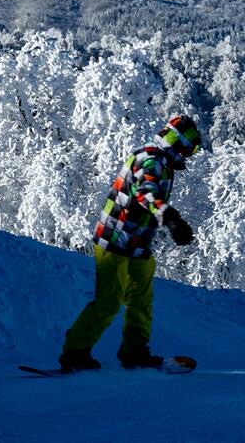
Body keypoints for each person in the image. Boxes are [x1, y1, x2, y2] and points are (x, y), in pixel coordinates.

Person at [58, 115, 202, 373]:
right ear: (177, 144)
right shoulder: (149, 159)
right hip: (114, 241)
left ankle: (135, 352)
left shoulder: (163, 162)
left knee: (141, 300)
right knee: (109, 301)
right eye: (189, 148)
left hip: (137, 244)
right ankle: (75, 352)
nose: (190, 155)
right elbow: (146, 193)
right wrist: (170, 218)